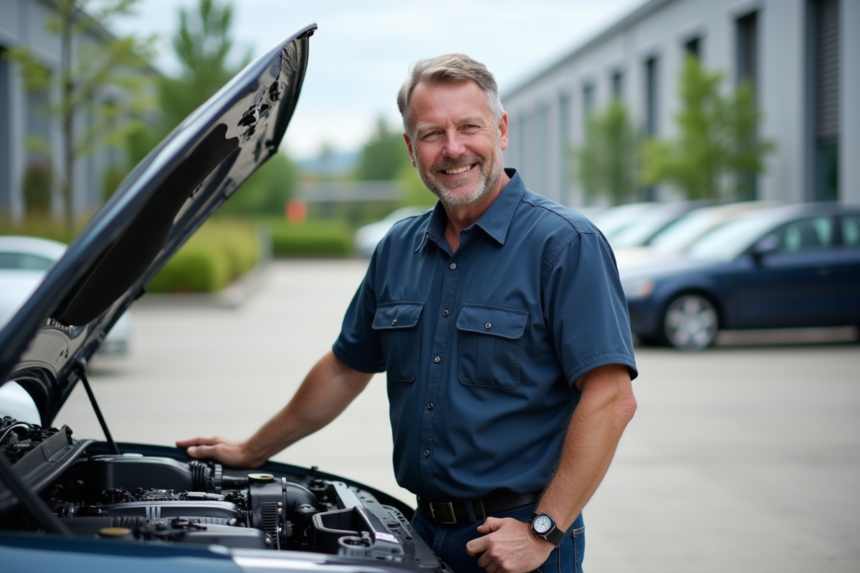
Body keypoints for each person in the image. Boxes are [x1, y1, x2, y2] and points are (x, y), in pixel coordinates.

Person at [178, 54, 638, 573]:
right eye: (432, 134)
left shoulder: (565, 244)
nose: (453, 148)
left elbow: (610, 399)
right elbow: (345, 369)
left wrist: (542, 532)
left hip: (516, 540)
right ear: (411, 149)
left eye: (469, 127)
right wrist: (252, 450)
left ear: (502, 130)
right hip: (421, 532)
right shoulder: (398, 248)